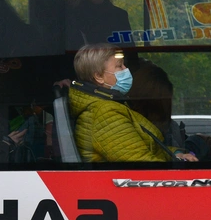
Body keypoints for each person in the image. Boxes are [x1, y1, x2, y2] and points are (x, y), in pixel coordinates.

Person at [67, 44, 197, 163]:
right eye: (119, 66)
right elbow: (141, 163)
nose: (126, 69)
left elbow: (146, 148)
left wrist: (177, 154)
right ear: (99, 76)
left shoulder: (110, 105)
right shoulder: (103, 113)